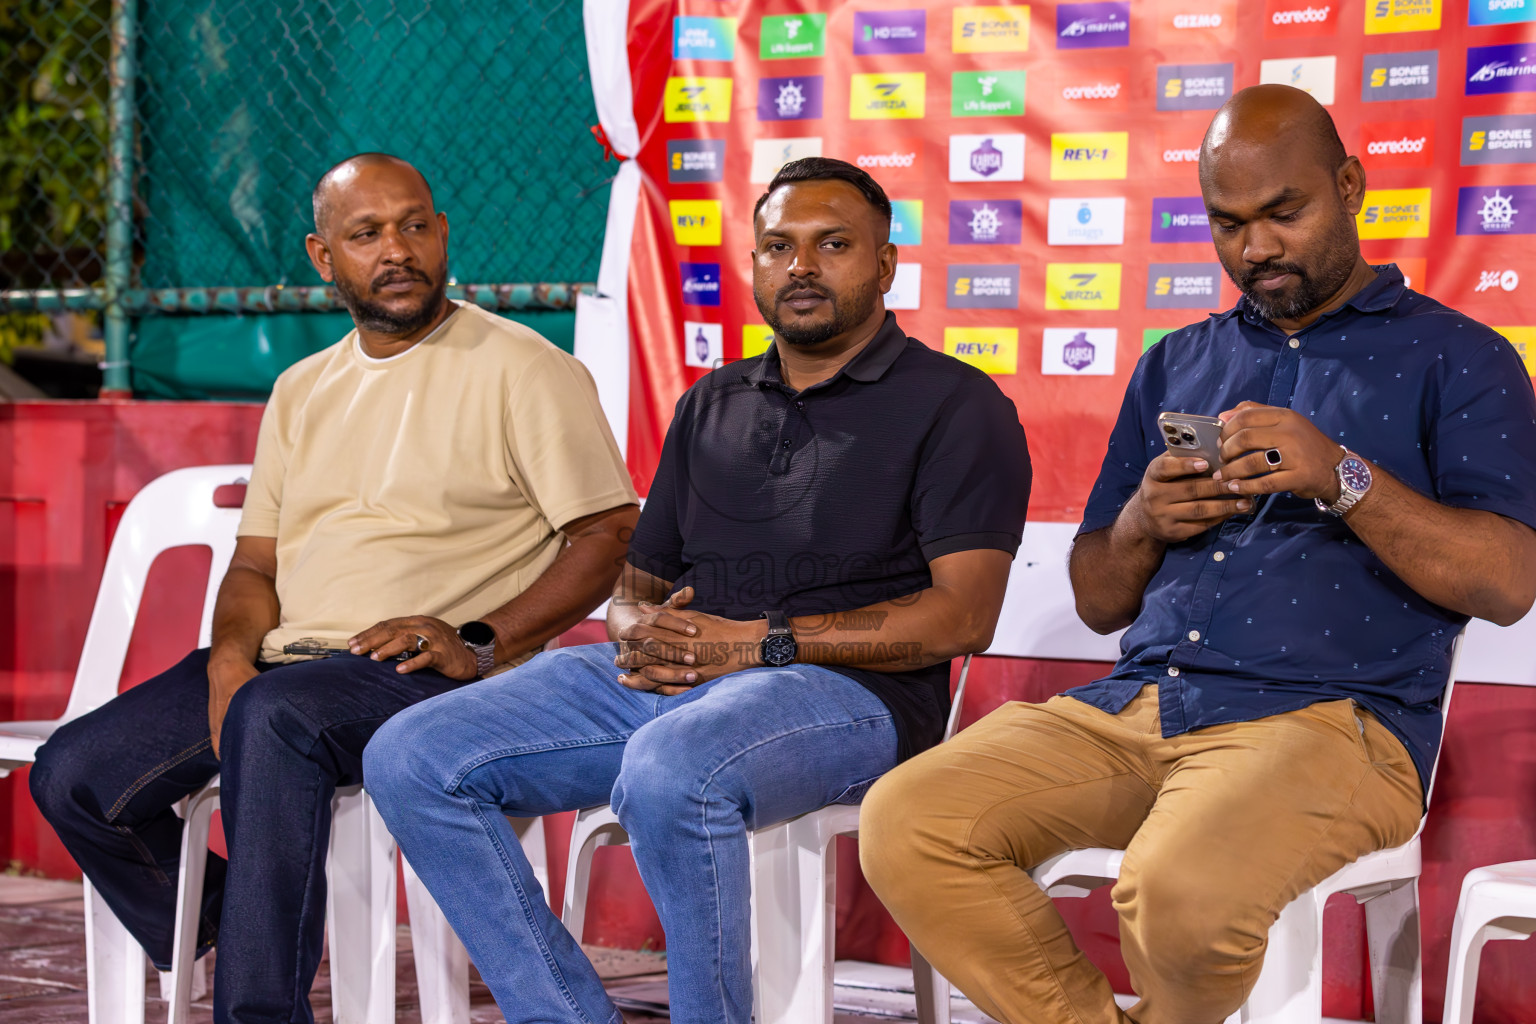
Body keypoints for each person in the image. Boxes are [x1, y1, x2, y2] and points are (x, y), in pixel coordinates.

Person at [860, 84, 1536, 1024]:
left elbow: (1507, 584)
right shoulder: (1177, 360)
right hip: (1134, 710)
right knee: (908, 820)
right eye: (1227, 224)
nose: (1254, 249)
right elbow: (1100, 600)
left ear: (1350, 185)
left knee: (1175, 889)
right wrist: (1142, 521)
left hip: (1337, 725)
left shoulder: (1461, 358)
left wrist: (1339, 475)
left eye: (1282, 214)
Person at [361, 156, 1033, 1024]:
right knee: (411, 755)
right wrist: (641, 632)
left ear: (885, 264)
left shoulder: (955, 404)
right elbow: (635, 587)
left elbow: (964, 617)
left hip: (850, 697)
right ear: (751, 264)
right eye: (778, 247)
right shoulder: (713, 402)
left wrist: (751, 644)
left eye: (833, 245)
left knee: (674, 768)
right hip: (676, 683)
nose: (801, 267)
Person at [29, 153, 638, 1024]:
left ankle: (260, 1004)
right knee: (73, 776)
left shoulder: (523, 367)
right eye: (367, 234)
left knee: (274, 720)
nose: (398, 250)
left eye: (415, 226)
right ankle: (238, 922)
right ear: (323, 257)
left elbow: (608, 535)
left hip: (423, 669)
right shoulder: (301, 388)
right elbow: (253, 567)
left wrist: (478, 641)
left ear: (443, 236)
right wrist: (230, 661)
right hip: (288, 666)